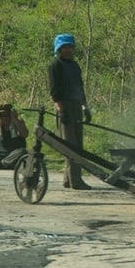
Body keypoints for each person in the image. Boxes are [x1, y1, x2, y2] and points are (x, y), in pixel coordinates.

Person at [48, 33, 93, 190]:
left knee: (77, 144)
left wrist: (85, 107)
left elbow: (80, 88)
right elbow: (54, 91)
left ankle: (69, 179)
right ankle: (76, 181)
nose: (68, 50)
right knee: (69, 145)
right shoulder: (55, 66)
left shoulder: (74, 66)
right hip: (64, 106)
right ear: (59, 49)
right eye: (65, 47)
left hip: (76, 107)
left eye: (70, 47)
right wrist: (61, 110)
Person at [0, 103, 28, 170]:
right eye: (1, 115)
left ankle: (0, 164)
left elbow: (25, 134)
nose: (5, 118)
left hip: (16, 152)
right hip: (2, 153)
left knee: (22, 152)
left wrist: (15, 119)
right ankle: (8, 163)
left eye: (7, 115)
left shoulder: (18, 122)